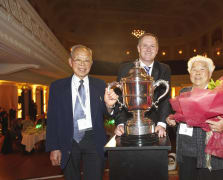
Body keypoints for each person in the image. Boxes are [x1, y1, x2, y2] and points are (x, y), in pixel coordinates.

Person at [45, 45, 118, 180]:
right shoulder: (57, 87)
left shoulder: (100, 85)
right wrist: (54, 147)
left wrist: (109, 106)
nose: (83, 64)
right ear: (70, 62)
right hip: (68, 139)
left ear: (91, 63)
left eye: (87, 60)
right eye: (78, 60)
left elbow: (107, 113)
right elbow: (52, 118)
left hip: (93, 138)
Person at [166, 55, 223, 180]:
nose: (197, 72)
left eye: (202, 69)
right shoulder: (183, 93)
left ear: (210, 72)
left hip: (211, 154)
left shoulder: (221, 93)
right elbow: (178, 117)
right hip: (185, 154)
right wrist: (172, 120)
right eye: (194, 69)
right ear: (189, 73)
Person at [114, 33, 171, 138]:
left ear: (157, 49)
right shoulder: (124, 69)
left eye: (152, 46)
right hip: (129, 127)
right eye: (145, 45)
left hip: (155, 127)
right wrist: (121, 123)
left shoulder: (164, 69)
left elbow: (165, 98)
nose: (149, 49)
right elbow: (120, 98)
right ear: (138, 48)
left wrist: (161, 124)